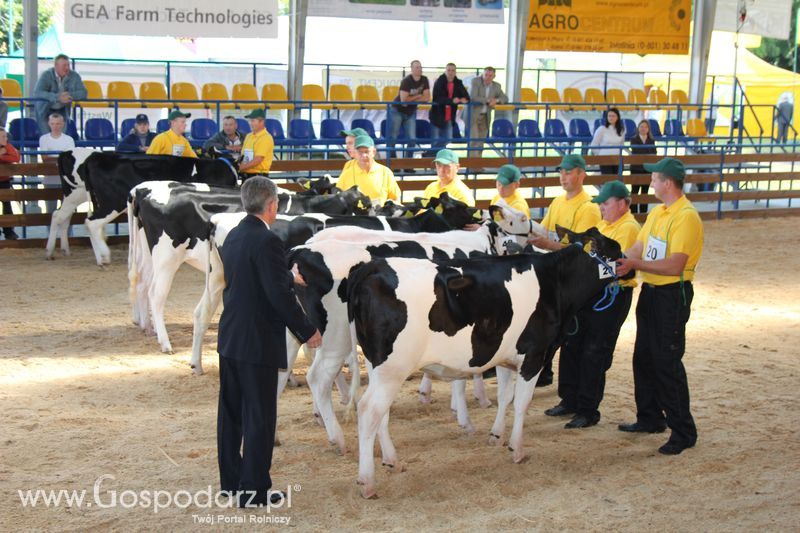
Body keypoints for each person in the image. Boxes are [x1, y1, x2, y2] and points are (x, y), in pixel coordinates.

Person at [217, 176, 322, 508]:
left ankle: (231, 483)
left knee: (231, 414)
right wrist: (307, 331)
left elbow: (251, 277)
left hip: (230, 336)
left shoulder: (234, 235)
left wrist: (286, 276)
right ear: (273, 205)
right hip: (257, 341)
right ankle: (254, 490)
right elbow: (278, 297)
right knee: (259, 416)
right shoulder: (268, 240)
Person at [616, 157, 703, 456]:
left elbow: (675, 264)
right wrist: (621, 259)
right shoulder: (657, 213)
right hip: (651, 292)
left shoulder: (686, 216)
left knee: (667, 361)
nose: (651, 181)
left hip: (671, 295)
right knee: (643, 357)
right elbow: (639, 247)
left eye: (654, 178)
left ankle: (684, 431)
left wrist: (635, 264)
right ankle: (650, 417)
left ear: (667, 183)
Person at [544, 181, 640, 428]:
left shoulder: (628, 228)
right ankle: (569, 400)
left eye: (606, 204)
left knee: (594, 350)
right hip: (590, 292)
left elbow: (618, 265)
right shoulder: (603, 225)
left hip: (612, 294)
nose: (601, 208)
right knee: (573, 344)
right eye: (600, 204)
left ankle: (588, 409)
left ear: (623, 204)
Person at [527, 154, 601, 386]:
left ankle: (552, 374)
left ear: (581, 174)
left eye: (568, 172)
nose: (563, 177)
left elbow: (581, 250)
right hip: (555, 273)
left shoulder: (588, 208)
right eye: (561, 172)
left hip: (572, 278)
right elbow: (544, 229)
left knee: (565, 329)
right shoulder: (558, 201)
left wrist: (549, 245)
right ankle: (544, 370)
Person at [336, 135, 401, 206]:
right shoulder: (346, 174)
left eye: (367, 151)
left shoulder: (385, 172)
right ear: (355, 153)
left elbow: (396, 199)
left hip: (379, 212)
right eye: (360, 152)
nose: (364, 155)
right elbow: (338, 200)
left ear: (374, 152)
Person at [33, 54, 87, 135]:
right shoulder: (46, 75)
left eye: (68, 65)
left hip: (63, 109)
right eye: (64, 65)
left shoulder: (74, 76)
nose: (67, 68)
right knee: (46, 137)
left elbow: (83, 93)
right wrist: (57, 97)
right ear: (56, 66)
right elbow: (37, 92)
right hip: (45, 109)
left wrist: (69, 95)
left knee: (60, 137)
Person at [388, 60, 430, 161]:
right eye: (417, 67)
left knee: (412, 139)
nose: (419, 69)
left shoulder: (424, 79)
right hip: (397, 110)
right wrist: (418, 96)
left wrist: (411, 98)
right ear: (412, 69)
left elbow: (427, 97)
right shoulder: (406, 81)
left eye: (420, 67)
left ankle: (408, 162)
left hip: (410, 112)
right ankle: (392, 161)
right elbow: (403, 101)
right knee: (393, 137)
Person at [39, 113, 76, 213]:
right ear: (49, 124)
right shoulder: (44, 139)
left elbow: (69, 159)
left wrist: (53, 158)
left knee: (67, 209)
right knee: (51, 209)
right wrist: (62, 158)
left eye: (58, 124)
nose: (55, 126)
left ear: (63, 124)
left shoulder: (69, 139)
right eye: (53, 124)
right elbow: (45, 158)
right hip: (50, 176)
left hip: (65, 177)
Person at [429, 63, 469, 151]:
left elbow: (466, 96)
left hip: (450, 116)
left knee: (448, 138)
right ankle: (431, 155)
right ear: (445, 71)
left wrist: (463, 99)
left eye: (453, 70)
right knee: (435, 140)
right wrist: (452, 101)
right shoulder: (439, 81)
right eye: (449, 70)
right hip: (437, 115)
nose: (450, 72)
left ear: (455, 72)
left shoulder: (458, 82)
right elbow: (437, 98)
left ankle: (429, 153)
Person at [468, 66, 508, 153]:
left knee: (481, 142)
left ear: (494, 77)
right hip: (473, 115)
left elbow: (505, 98)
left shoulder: (497, 86)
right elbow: (473, 97)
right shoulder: (475, 81)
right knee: (474, 141)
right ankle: (472, 162)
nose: (487, 77)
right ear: (482, 75)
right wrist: (488, 100)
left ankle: (478, 161)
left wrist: (496, 100)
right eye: (485, 75)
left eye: (490, 76)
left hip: (485, 117)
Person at [629, 119, 657, 214]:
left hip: (647, 169)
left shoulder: (651, 140)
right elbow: (637, 152)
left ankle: (643, 213)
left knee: (645, 192)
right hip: (636, 169)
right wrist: (647, 154)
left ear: (648, 129)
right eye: (641, 126)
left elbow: (654, 153)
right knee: (634, 191)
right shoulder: (634, 139)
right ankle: (634, 213)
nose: (643, 128)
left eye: (645, 127)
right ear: (638, 128)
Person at [238, 108, 275, 180]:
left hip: (259, 177)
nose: (250, 123)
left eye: (253, 121)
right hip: (246, 175)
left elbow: (258, 159)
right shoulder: (248, 136)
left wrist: (240, 168)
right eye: (250, 121)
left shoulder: (266, 138)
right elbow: (244, 156)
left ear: (262, 122)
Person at [591, 107, 626, 176]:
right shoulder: (601, 129)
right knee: (607, 179)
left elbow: (622, 144)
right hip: (605, 159)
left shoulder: (622, 130)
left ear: (617, 117)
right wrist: (600, 155)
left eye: (613, 116)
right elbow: (594, 144)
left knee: (618, 179)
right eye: (609, 116)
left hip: (617, 159)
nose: (611, 118)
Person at [0, 127, 21, 239]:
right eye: (3, 137)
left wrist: (2, 154)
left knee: (7, 206)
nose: (6, 138)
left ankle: (9, 231)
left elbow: (16, 157)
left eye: (6, 136)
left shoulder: (8, 146)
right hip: (4, 179)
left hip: (4, 180)